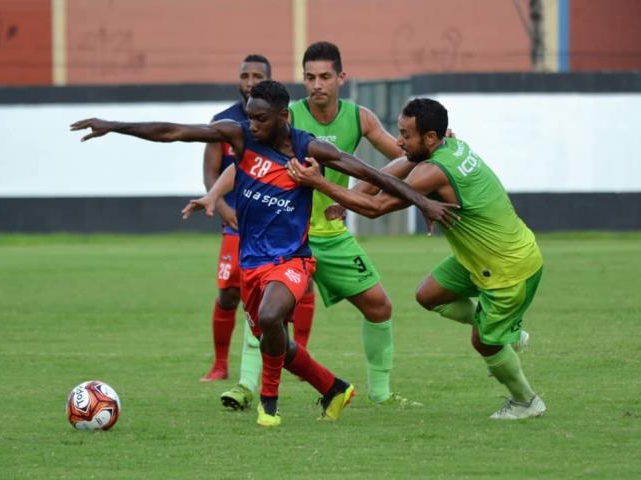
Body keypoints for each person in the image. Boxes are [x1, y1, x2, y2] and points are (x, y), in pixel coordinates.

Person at [70, 81, 458, 427]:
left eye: (260, 119)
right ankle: (333, 388)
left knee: (273, 317)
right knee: (276, 342)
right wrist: (113, 126)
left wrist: (421, 202)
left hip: (292, 259)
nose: (252, 125)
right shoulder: (240, 137)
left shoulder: (310, 148)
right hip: (251, 262)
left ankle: (268, 406)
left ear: (282, 116)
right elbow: (174, 132)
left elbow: (374, 175)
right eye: (250, 117)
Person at [288, 97, 546, 420]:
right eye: (399, 132)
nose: (398, 141)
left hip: (509, 267)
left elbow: (378, 208)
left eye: (405, 135)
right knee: (428, 294)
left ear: (430, 138)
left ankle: (526, 401)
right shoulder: (449, 145)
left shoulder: (435, 171)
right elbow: (398, 168)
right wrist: (353, 197)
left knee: (484, 343)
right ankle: (505, 329)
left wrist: (321, 183)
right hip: (482, 259)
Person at [221, 41, 422, 410]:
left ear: (341, 78)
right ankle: (245, 387)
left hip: (332, 237)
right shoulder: (286, 117)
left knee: (379, 306)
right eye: (310, 77)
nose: (317, 84)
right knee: (268, 312)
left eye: (325, 76)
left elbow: (405, 156)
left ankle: (381, 394)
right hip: (288, 237)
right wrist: (215, 197)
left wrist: (438, 147)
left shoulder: (360, 118)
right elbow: (244, 164)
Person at [199, 54, 271, 382]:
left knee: (287, 292)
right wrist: (226, 211)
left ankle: (296, 355)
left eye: (257, 75)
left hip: (273, 223)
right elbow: (211, 173)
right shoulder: (223, 122)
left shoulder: (281, 122)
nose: (250, 81)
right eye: (245, 75)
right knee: (229, 293)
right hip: (236, 224)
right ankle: (220, 365)